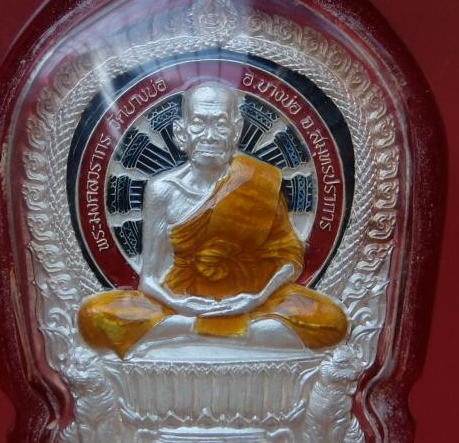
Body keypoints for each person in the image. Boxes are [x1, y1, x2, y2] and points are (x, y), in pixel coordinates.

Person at [78, 82, 347, 357]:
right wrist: (182, 306)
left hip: (253, 300)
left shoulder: (258, 180)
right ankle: (223, 331)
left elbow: (289, 257)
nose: (209, 136)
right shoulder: (162, 190)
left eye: (220, 124)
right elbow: (149, 280)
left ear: (236, 130)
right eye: (199, 124)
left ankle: (191, 333)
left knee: (331, 321)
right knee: (94, 316)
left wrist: (257, 298)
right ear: (181, 132)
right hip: (181, 301)